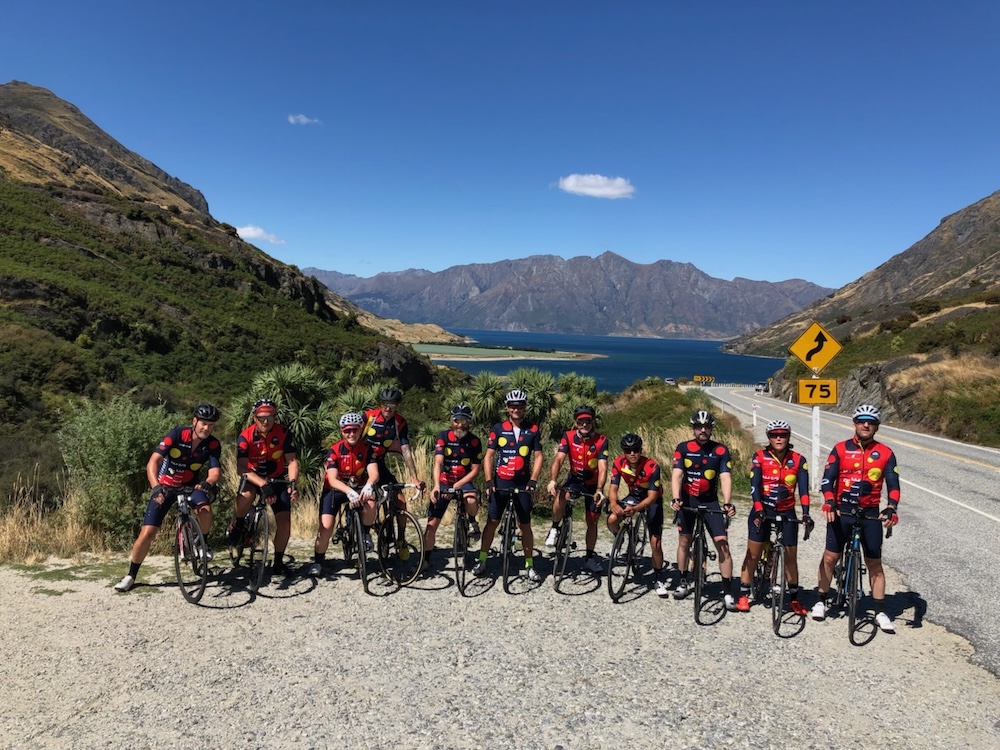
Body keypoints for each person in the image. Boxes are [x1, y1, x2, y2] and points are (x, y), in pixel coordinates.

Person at [114, 403, 223, 592]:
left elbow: (214, 472)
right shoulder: (177, 434)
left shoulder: (213, 444)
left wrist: (208, 482)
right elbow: (153, 462)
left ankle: (203, 542)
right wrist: (156, 487)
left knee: (205, 510)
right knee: (147, 533)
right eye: (203, 423)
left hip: (190, 485)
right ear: (194, 421)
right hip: (165, 486)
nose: (206, 428)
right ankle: (131, 575)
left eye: (211, 425)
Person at [811, 404, 900, 633]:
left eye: (871, 422)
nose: (866, 425)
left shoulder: (886, 453)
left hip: (870, 513)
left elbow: (893, 484)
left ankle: (879, 611)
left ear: (877, 427)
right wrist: (829, 500)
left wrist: (891, 507)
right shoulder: (840, 449)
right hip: (842, 511)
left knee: (874, 564)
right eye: (862, 421)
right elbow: (827, 479)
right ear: (855, 424)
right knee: (830, 557)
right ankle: (820, 600)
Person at [734, 420, 813, 614]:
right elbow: (754, 486)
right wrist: (758, 508)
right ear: (769, 438)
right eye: (774, 435)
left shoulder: (799, 460)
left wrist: (805, 513)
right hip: (763, 509)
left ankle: (794, 598)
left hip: (787, 511)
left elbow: (804, 491)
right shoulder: (760, 456)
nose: (779, 438)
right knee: (753, 554)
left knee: (791, 558)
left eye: (783, 435)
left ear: (788, 437)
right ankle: (743, 595)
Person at [474, 389, 544, 582]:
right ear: (507, 408)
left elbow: (539, 456)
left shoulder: (533, 429)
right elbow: (489, 456)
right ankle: (482, 560)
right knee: (492, 522)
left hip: (523, 483)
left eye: (520, 406)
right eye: (513, 406)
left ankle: (529, 565)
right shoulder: (498, 428)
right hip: (501, 482)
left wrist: (533, 479)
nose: (516, 409)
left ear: (524, 407)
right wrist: (489, 480)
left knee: (525, 525)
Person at [670, 409, 738, 610]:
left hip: (710, 502)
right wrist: (676, 498)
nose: (702, 430)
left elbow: (725, 477)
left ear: (711, 429)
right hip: (687, 501)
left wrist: (727, 502)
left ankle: (727, 592)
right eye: (699, 427)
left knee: (722, 544)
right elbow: (677, 475)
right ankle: (683, 581)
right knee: (684, 541)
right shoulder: (683, 448)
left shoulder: (721, 450)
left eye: (706, 427)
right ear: (693, 428)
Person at [225, 398, 300, 576]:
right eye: (261, 418)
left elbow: (292, 461)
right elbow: (241, 467)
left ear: (275, 417)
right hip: (253, 477)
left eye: (270, 417)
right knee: (245, 496)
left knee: (285, 523)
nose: (266, 421)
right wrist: (262, 484)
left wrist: (293, 483)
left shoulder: (283, 432)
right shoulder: (245, 436)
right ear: (254, 418)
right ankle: (239, 523)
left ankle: (278, 562)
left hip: (276, 478)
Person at [310, 412, 379, 577]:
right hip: (335, 490)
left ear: (360, 430)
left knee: (371, 503)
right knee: (326, 527)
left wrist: (369, 485)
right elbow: (332, 479)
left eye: (355, 430)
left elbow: (374, 472)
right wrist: (348, 491)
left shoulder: (367, 449)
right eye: (347, 430)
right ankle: (318, 561)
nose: (351, 434)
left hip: (358, 487)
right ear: (342, 431)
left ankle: (365, 534)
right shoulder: (334, 450)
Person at [546, 405, 610, 573]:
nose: (584, 424)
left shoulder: (601, 440)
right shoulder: (568, 436)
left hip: (593, 484)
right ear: (576, 422)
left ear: (592, 422)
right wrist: (553, 480)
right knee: (561, 496)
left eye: (588, 421)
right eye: (581, 421)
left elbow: (603, 468)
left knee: (592, 521)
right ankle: (554, 528)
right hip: (574, 479)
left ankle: (589, 558)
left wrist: (600, 489)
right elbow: (559, 459)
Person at [423, 404, 483, 572]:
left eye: (464, 421)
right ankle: (425, 559)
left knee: (471, 500)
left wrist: (458, 485)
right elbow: (438, 463)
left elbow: (475, 470)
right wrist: (437, 485)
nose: (459, 425)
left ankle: (472, 520)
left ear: (469, 422)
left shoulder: (475, 441)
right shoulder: (443, 436)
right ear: (452, 420)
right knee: (431, 524)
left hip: (464, 481)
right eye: (457, 421)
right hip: (444, 481)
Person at [607, 433, 668, 594]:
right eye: (628, 451)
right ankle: (623, 537)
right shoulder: (618, 463)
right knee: (612, 519)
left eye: (636, 450)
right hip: (634, 495)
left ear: (641, 450)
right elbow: (613, 488)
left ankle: (658, 578)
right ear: (624, 452)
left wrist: (635, 509)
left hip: (652, 500)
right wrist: (614, 503)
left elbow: (652, 497)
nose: (632, 453)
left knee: (655, 542)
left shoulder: (652, 466)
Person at [363, 387, 425, 518]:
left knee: (400, 500)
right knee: (365, 500)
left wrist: (414, 477)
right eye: (385, 404)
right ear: (381, 404)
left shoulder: (400, 422)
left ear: (397, 405)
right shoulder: (369, 417)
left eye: (391, 405)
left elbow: (405, 450)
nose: (387, 409)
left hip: (379, 463)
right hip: (361, 462)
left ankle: (401, 532)